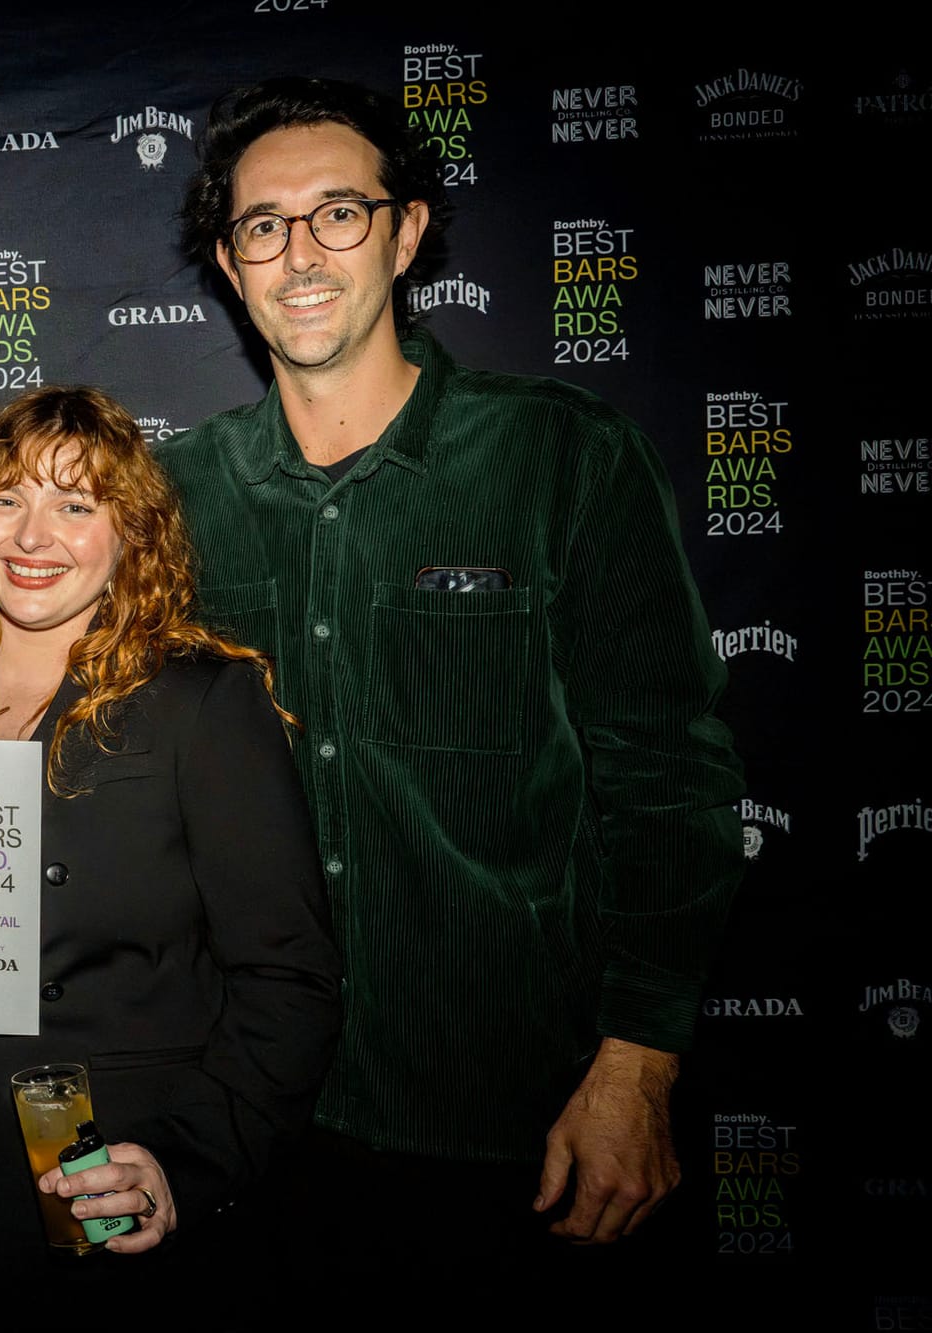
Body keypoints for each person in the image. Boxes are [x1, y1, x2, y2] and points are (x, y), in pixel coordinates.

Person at [164, 77, 746, 1292]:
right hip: (248, 1122)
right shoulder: (170, 500)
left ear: (405, 232)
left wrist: (638, 1063)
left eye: (338, 213)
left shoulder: (562, 457)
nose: (298, 254)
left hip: (514, 1120)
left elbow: (664, 776)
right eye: (261, 225)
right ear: (227, 264)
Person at [0, 386, 341, 1331]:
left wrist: (186, 1162)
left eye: (75, 504)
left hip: (110, 1178)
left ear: (130, 536)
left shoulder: (202, 703)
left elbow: (288, 978)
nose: (33, 536)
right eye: (6, 499)